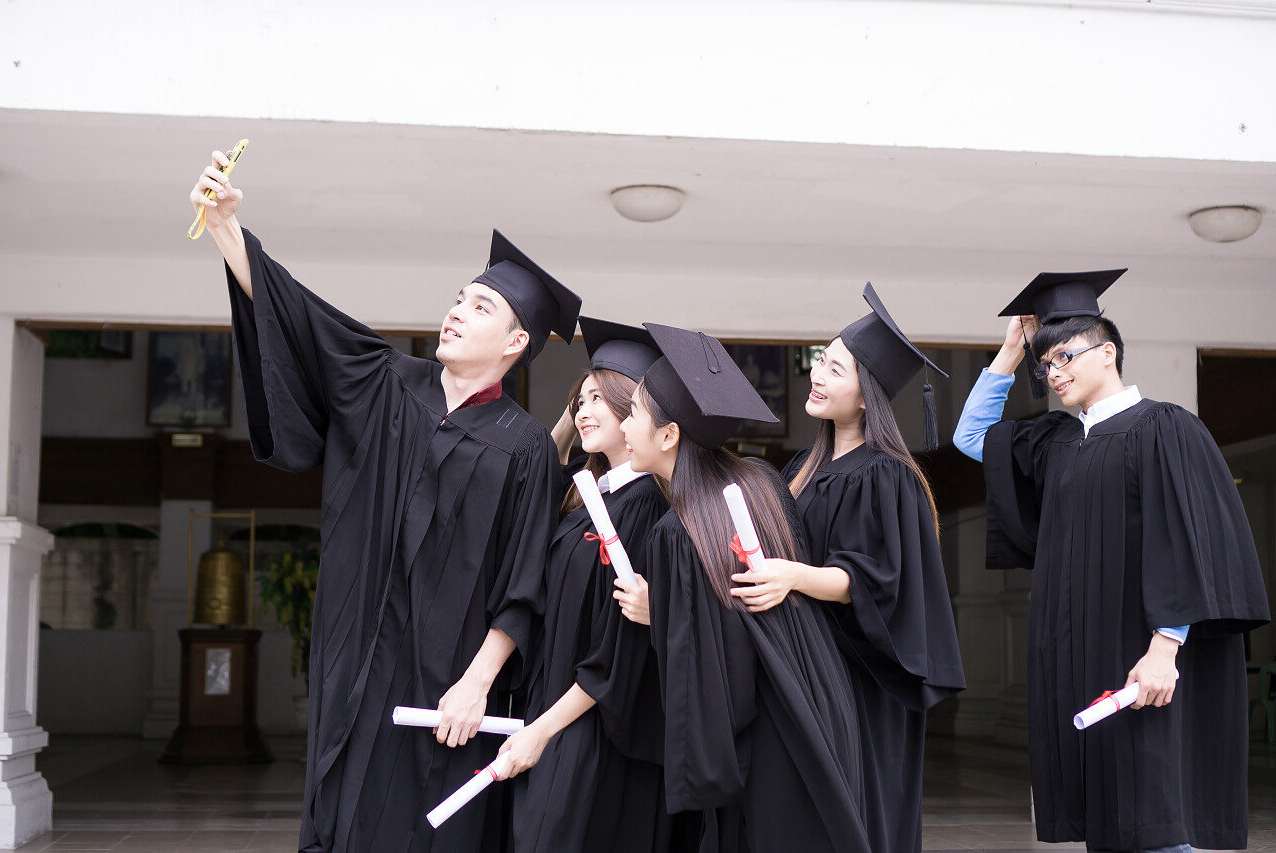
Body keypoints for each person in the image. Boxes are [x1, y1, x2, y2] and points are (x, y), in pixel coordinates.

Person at [189, 151, 581, 852]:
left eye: (481, 305)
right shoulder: (387, 385)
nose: (457, 311)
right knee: (343, 818)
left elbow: (525, 583)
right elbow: (300, 318)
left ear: (517, 341)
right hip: (356, 669)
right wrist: (226, 229)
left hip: (448, 691)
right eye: (459, 298)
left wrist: (477, 682)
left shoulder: (522, 446)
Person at [952, 269, 1270, 853]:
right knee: (1107, 817)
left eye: (1067, 356)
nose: (1055, 373)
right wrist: (1010, 350)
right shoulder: (1056, 442)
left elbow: (1189, 541)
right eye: (1045, 366)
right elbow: (971, 437)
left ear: (1108, 351)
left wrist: (1163, 649)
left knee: (1156, 809)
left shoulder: (1166, 427)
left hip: (1147, 654)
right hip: (1085, 653)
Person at [621, 323, 873, 852]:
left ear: (669, 435)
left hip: (762, 744)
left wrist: (657, 611)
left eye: (634, 413)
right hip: (818, 708)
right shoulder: (761, 479)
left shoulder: (677, 530)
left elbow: (711, 667)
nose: (625, 427)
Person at [731, 283, 964, 853]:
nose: (817, 375)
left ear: (867, 397)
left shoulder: (886, 475)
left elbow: (876, 579)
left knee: (856, 811)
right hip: (806, 664)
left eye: (835, 369)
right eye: (820, 362)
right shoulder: (801, 469)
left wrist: (791, 576)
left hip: (864, 674)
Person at [498, 318, 679, 852]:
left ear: (637, 411)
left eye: (600, 398)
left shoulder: (645, 507)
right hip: (553, 715)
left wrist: (542, 730)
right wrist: (571, 422)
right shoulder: (589, 496)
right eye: (579, 399)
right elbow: (538, 478)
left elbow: (618, 653)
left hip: (594, 727)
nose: (581, 409)